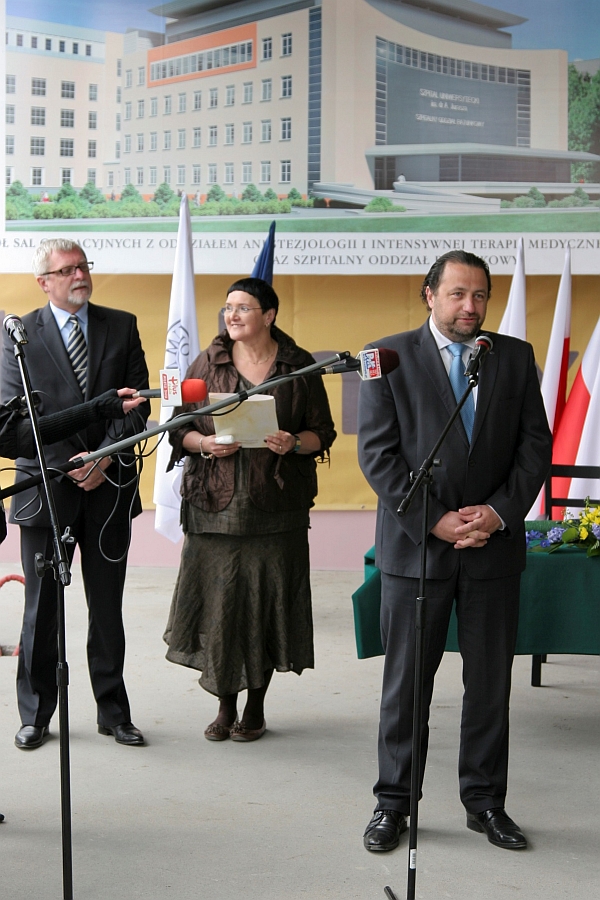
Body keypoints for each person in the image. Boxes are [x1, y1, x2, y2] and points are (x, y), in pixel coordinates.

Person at [357, 251, 552, 852]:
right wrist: (434, 520)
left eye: (481, 295)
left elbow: (534, 446)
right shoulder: (384, 356)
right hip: (418, 549)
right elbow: (378, 454)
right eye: (458, 294)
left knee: (489, 686)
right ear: (430, 295)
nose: (471, 307)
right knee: (406, 685)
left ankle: (486, 802)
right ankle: (394, 804)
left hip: (492, 547)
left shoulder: (512, 356)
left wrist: (497, 513)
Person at [164, 277, 336, 742]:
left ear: (269, 315)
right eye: (228, 308)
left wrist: (294, 442)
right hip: (214, 508)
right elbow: (178, 427)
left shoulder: (299, 366)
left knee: (264, 609)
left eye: (243, 307)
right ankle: (225, 707)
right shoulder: (207, 362)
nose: (232, 315)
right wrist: (205, 444)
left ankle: (255, 707)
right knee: (221, 608)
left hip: (276, 511)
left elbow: (323, 432)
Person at [0, 239, 150, 750]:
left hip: (108, 487)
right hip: (46, 486)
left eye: (83, 266)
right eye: (66, 270)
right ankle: (35, 713)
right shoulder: (18, 336)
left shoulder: (121, 325)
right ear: (43, 282)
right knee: (41, 608)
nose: (79, 275)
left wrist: (103, 457)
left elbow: (137, 404)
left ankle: (114, 712)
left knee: (107, 607)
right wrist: (72, 462)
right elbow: (16, 421)